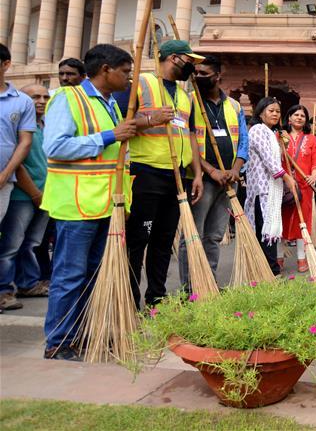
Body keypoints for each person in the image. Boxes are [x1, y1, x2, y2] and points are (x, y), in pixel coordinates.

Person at [41, 44, 138, 360]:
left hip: (106, 204)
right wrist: (111, 136)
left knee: (93, 275)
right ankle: (58, 341)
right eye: (125, 72)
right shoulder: (67, 99)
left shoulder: (110, 104)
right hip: (77, 204)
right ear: (106, 69)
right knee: (70, 275)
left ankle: (81, 334)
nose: (129, 78)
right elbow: (55, 147)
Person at [116, 39, 204, 309]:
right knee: (139, 237)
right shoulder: (140, 84)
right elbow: (119, 123)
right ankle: (130, 300)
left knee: (164, 240)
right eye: (189, 61)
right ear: (173, 58)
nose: (192, 67)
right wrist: (152, 119)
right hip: (146, 174)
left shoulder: (184, 95)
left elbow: (189, 136)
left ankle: (156, 296)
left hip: (175, 178)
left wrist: (196, 173)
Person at [180, 54, 248, 289]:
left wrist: (234, 170)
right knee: (193, 235)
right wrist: (212, 171)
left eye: (204, 74)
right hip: (201, 180)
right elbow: (184, 143)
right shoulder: (188, 102)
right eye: (196, 73)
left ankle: (209, 281)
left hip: (229, 180)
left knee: (215, 235)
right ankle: (191, 286)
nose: (197, 77)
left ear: (218, 76)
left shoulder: (234, 105)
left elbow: (244, 143)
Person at [0, 84, 50, 311]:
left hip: (46, 194)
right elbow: (18, 165)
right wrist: (34, 193)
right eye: (35, 97)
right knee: (11, 244)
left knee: (32, 243)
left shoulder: (47, 124)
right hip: (24, 195)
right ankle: (4, 290)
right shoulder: (20, 129)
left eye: (45, 96)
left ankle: (27, 283)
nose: (41, 100)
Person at [245, 97, 295, 275]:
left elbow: (276, 157)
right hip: (261, 189)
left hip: (271, 189)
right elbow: (269, 160)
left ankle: (268, 271)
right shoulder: (258, 130)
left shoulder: (271, 132)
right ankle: (269, 272)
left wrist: (284, 144)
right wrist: (287, 178)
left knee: (270, 230)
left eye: (277, 111)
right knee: (265, 232)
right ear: (260, 112)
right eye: (271, 110)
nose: (275, 114)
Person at [281, 104, 316, 273]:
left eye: (302, 116)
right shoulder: (280, 137)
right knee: (280, 221)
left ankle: (301, 258)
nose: (299, 117)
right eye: (295, 114)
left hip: (305, 186)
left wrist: (313, 176)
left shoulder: (311, 139)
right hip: (283, 185)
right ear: (289, 118)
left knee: (302, 222)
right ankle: (278, 257)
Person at [0, 43, 36, 224]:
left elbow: (25, 142)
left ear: (6, 64)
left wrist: (4, 175)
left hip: (2, 182)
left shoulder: (23, 102)